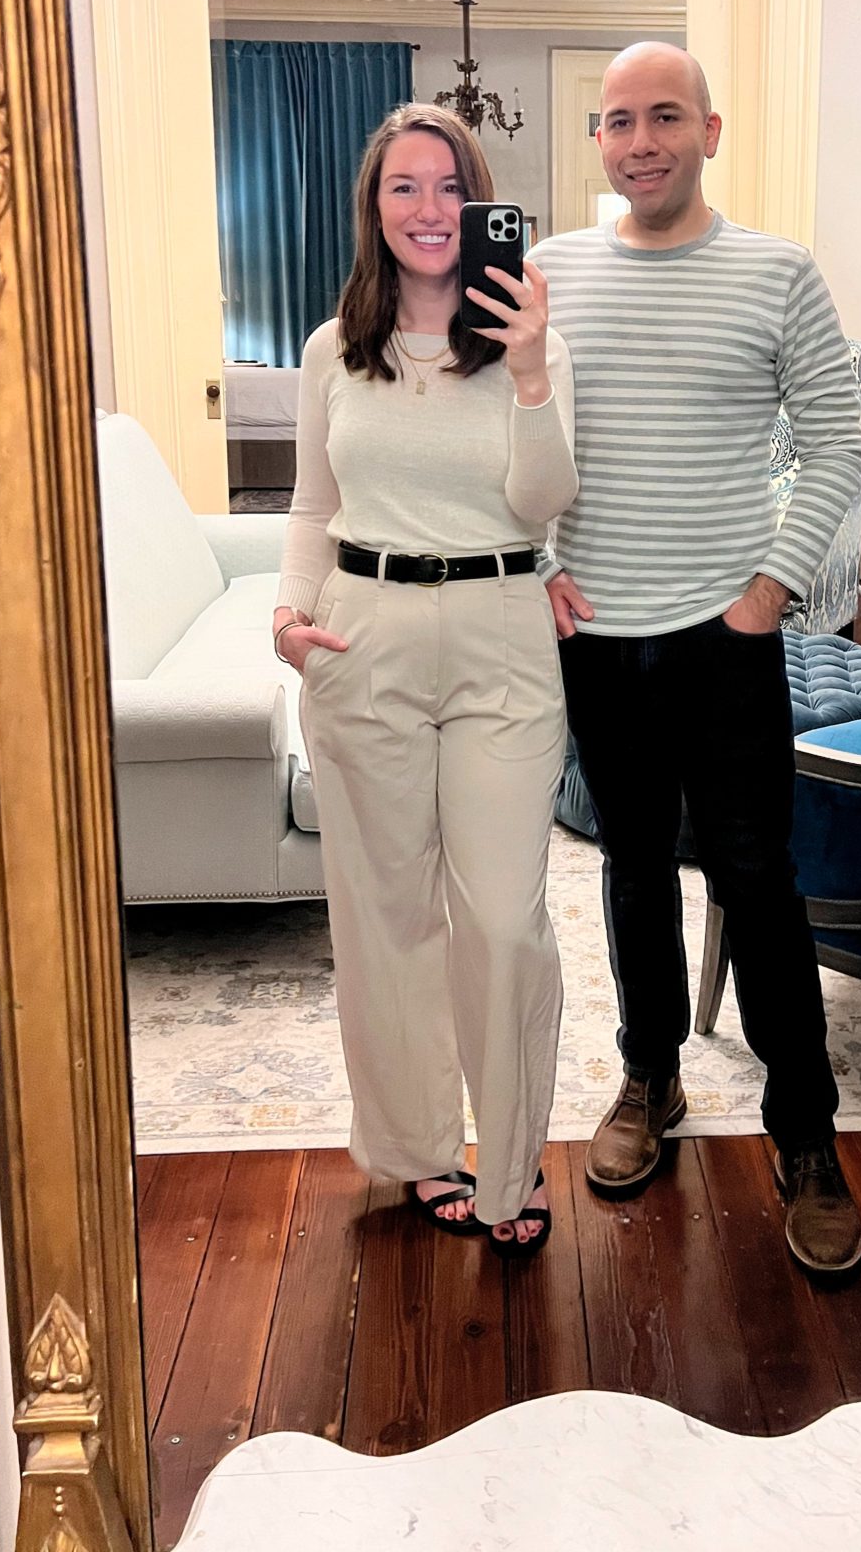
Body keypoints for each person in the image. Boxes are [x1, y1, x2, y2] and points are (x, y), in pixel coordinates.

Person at [530, 43, 861, 1276]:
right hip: (596, 634)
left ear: (710, 130)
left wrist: (770, 588)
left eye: (664, 115)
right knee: (628, 867)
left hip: (727, 637)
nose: (640, 140)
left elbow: (839, 437)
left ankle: (807, 1134)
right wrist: (536, 557)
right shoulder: (552, 271)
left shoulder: (778, 274)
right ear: (600, 142)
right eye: (617, 121)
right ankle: (649, 1077)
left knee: (758, 878)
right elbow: (508, 426)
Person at [273, 103, 575, 1256]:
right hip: (365, 634)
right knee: (388, 918)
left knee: (502, 919)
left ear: (481, 197)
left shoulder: (532, 336)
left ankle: (509, 1163)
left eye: (450, 187)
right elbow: (312, 503)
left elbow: (545, 501)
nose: (430, 209)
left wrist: (537, 367)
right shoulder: (330, 347)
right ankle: (417, 1150)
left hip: (503, 628)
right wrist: (288, 619)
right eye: (404, 187)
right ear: (376, 208)